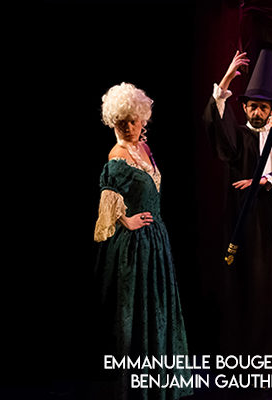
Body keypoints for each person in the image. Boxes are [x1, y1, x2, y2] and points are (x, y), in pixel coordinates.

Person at [203, 49, 272, 356]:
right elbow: (217, 124)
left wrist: (266, 181)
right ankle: (245, 351)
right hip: (245, 225)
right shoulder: (239, 138)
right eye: (252, 106)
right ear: (245, 108)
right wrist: (225, 81)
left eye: (263, 107)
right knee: (247, 286)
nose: (257, 112)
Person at [93, 82, 191, 400]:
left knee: (159, 308)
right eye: (125, 122)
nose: (132, 127)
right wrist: (126, 220)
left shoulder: (143, 148)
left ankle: (162, 380)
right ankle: (134, 387)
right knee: (134, 313)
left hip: (156, 240)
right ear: (116, 122)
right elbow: (107, 203)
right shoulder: (117, 156)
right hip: (134, 247)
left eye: (135, 120)